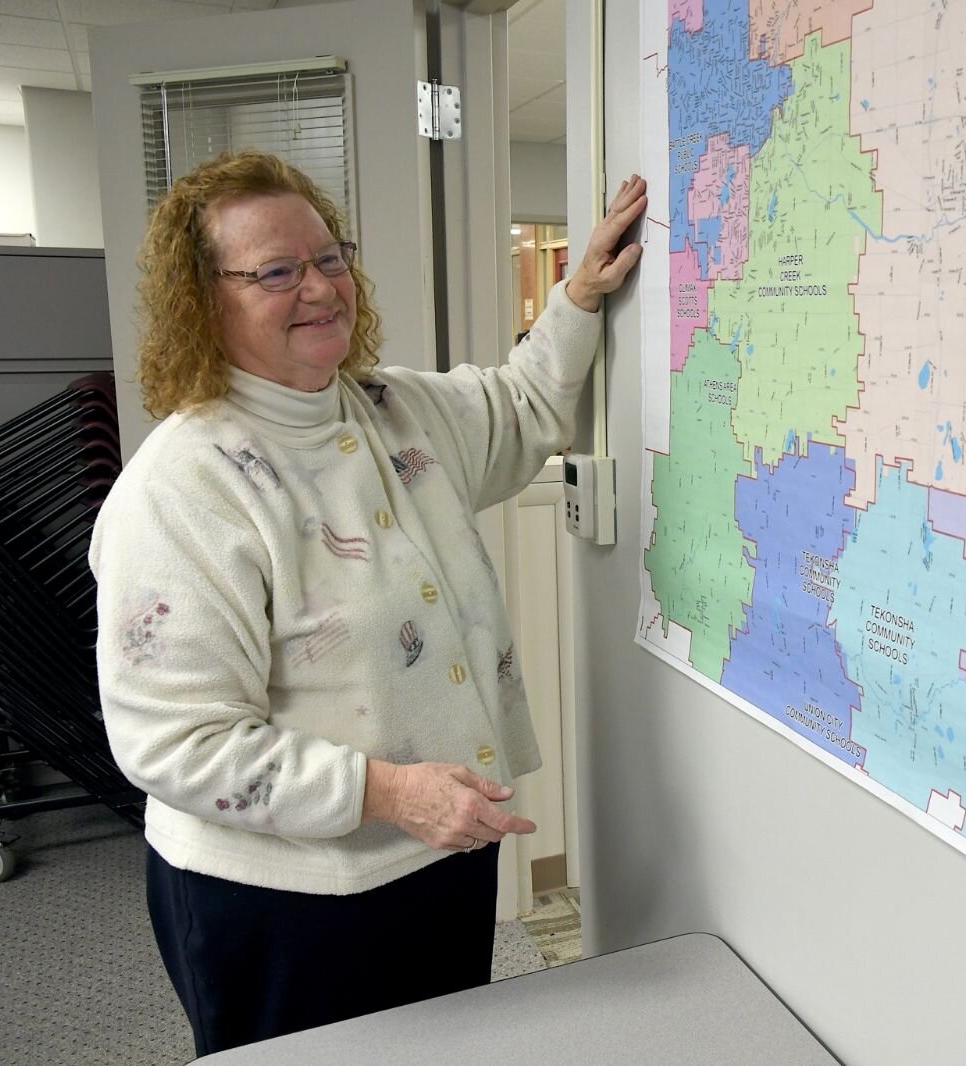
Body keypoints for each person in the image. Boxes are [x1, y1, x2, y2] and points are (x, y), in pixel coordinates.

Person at [88, 150, 645, 1054]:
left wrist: (579, 295)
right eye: (275, 271)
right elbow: (171, 742)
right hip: (286, 896)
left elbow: (521, 404)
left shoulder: (393, 410)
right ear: (204, 299)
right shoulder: (182, 487)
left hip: (437, 853)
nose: (318, 287)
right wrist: (386, 792)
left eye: (329, 258)